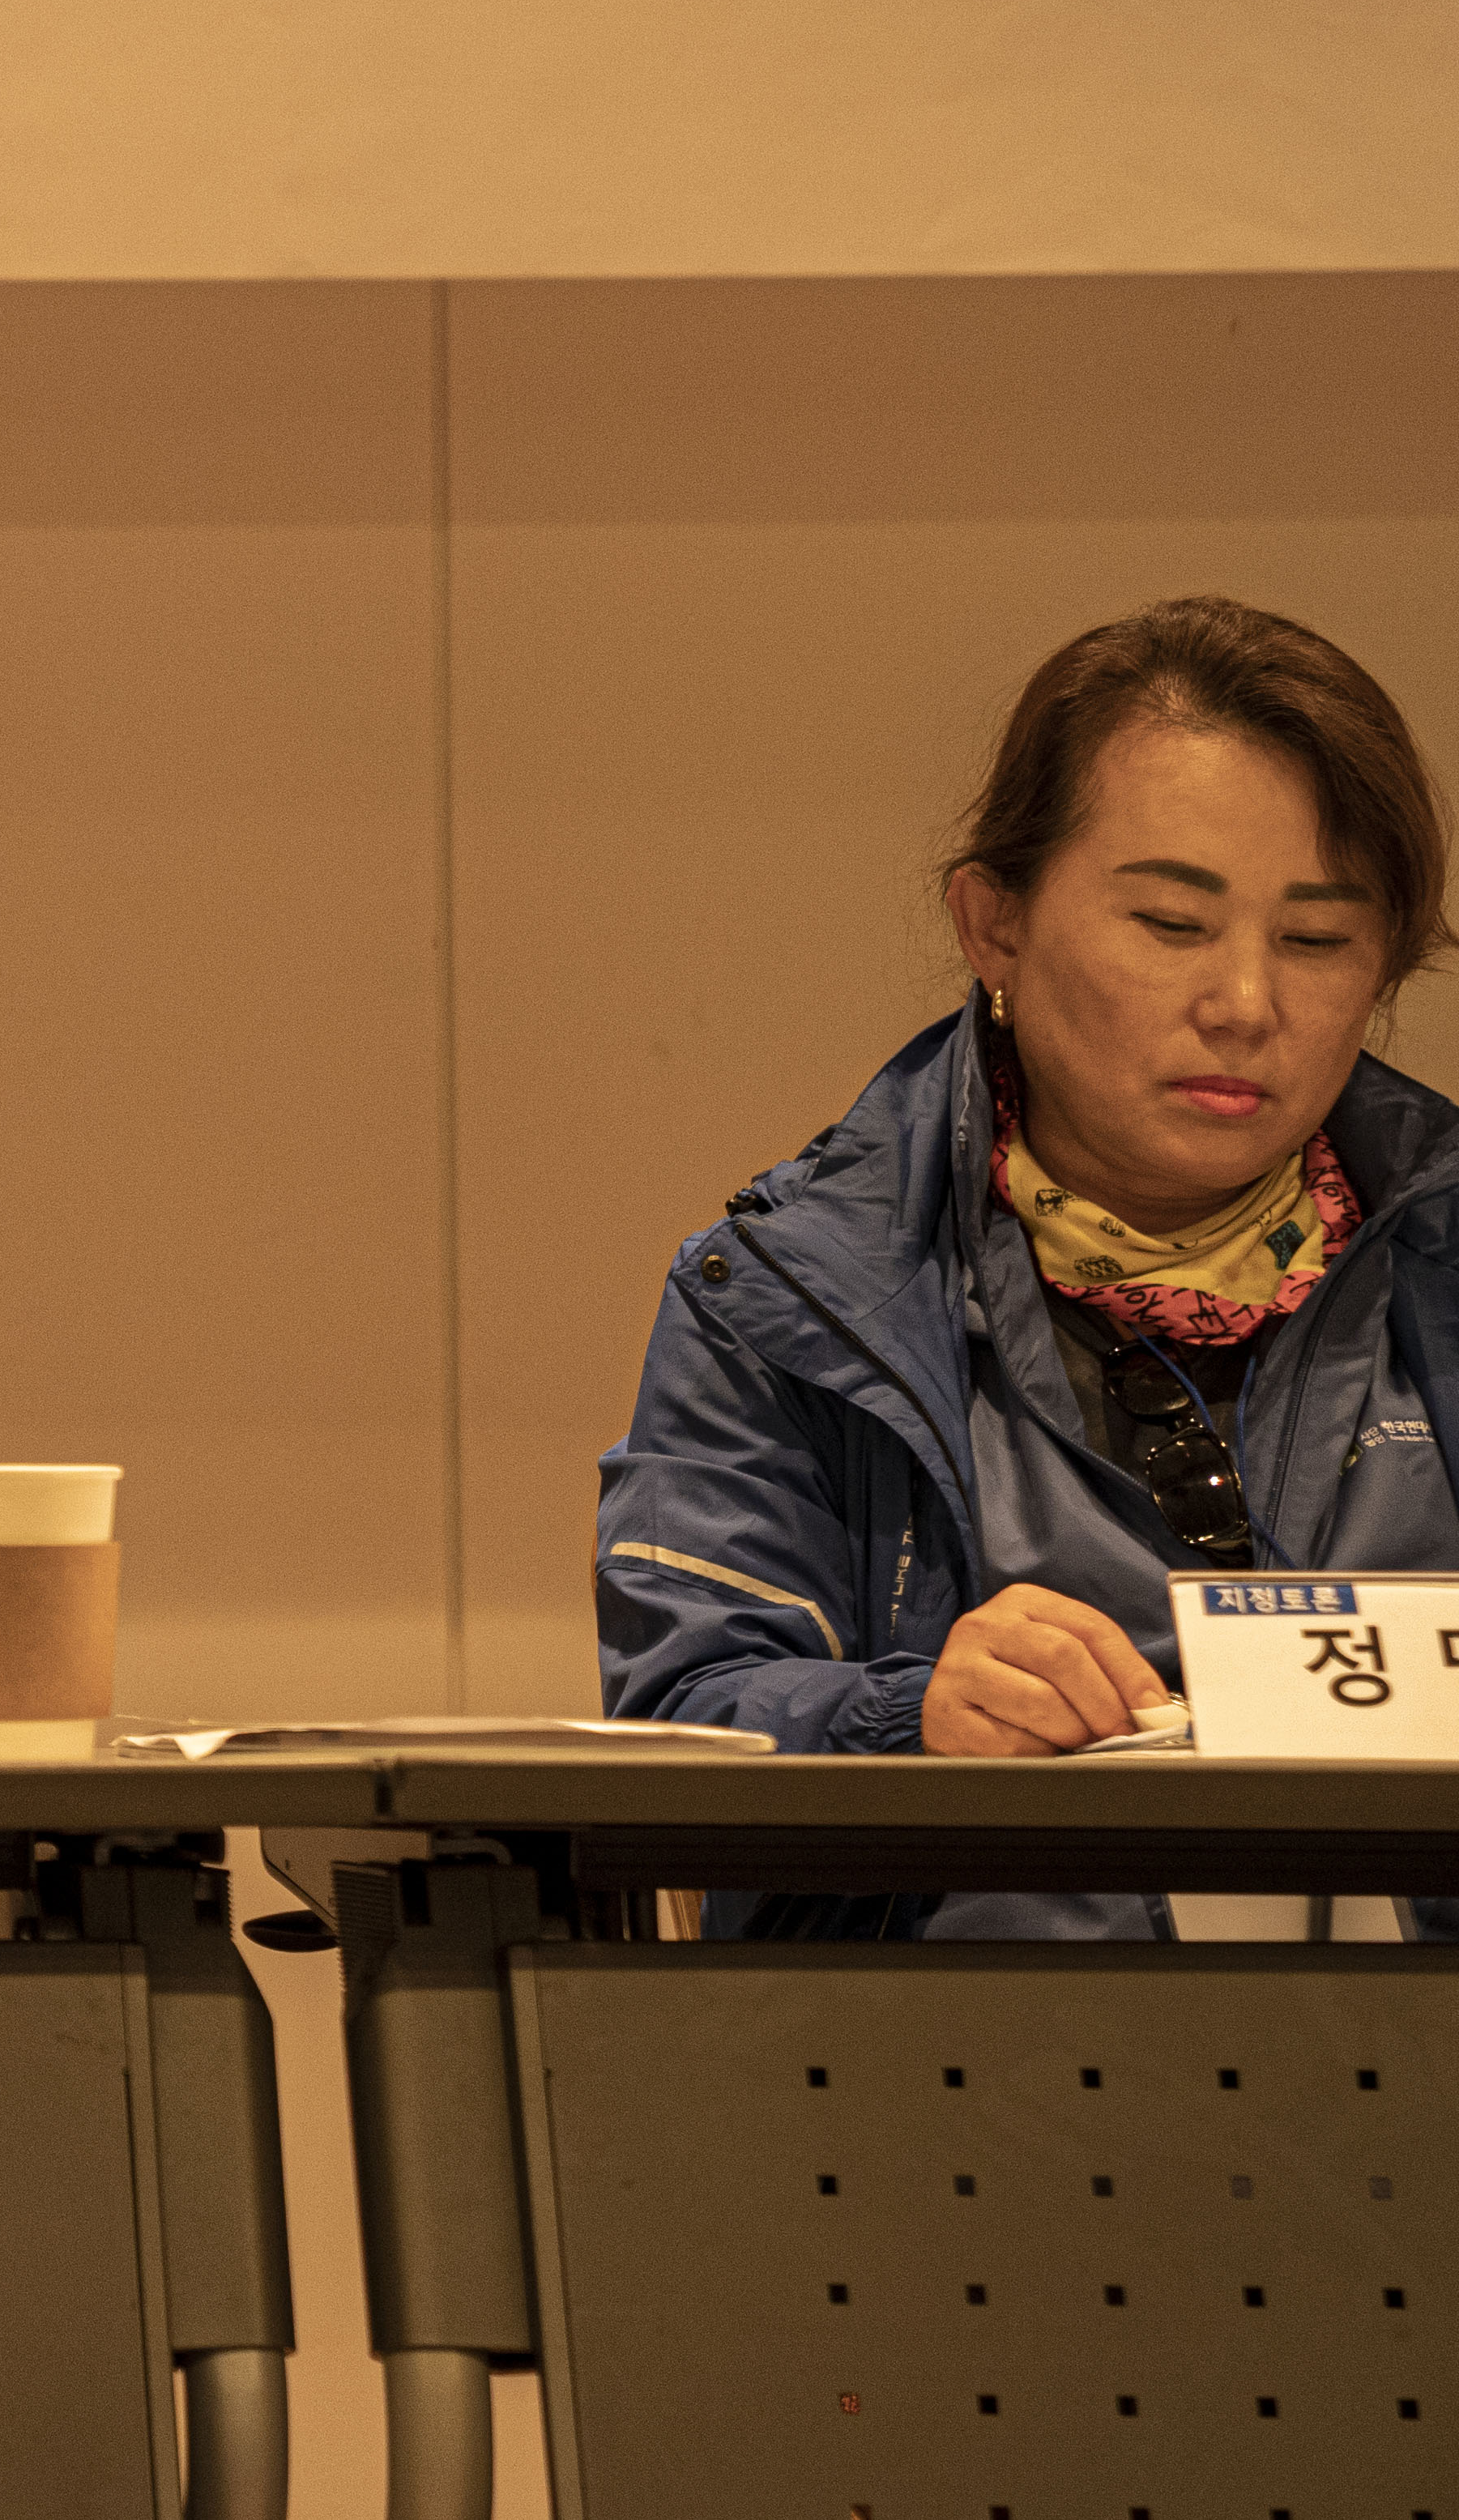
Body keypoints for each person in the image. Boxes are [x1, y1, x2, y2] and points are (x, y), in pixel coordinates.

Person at [597, 595, 1458, 1938]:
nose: (1246, 1003)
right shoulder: (788, 1292)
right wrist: (907, 1717)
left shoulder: (1437, 1258)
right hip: (956, 2058)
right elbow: (678, 1721)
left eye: (1316, 940)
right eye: (1172, 923)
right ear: (993, 924)